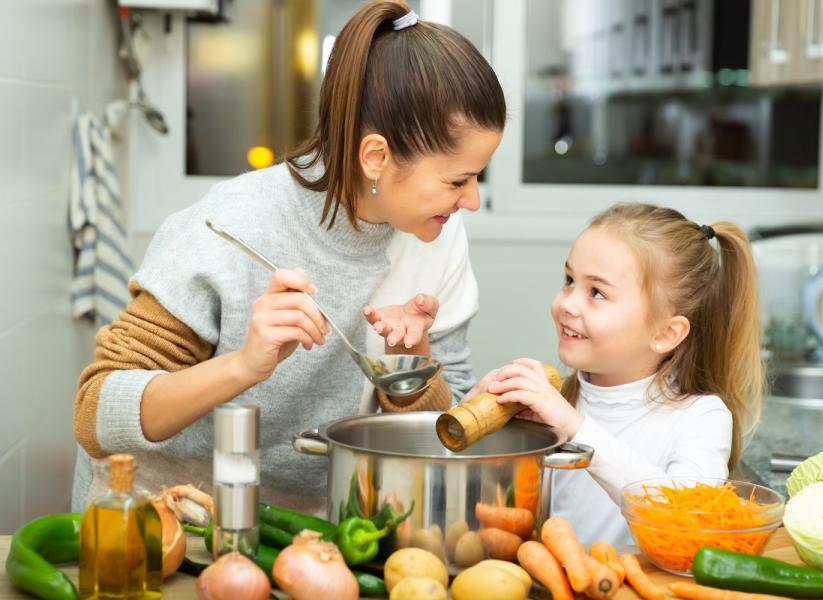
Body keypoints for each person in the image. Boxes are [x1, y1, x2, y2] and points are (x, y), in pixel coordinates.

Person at [71, 0, 505, 514]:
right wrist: (243, 366)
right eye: (458, 180)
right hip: (162, 514)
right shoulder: (233, 224)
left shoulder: (440, 235)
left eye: (477, 177)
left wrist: (411, 369)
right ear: (376, 157)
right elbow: (96, 413)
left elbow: (452, 424)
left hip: (310, 526)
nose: (472, 200)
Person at [468, 203, 764, 545]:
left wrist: (575, 428)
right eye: (569, 280)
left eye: (597, 292)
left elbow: (685, 523)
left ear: (665, 334)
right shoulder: (557, 405)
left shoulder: (700, 417)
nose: (567, 304)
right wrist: (481, 417)